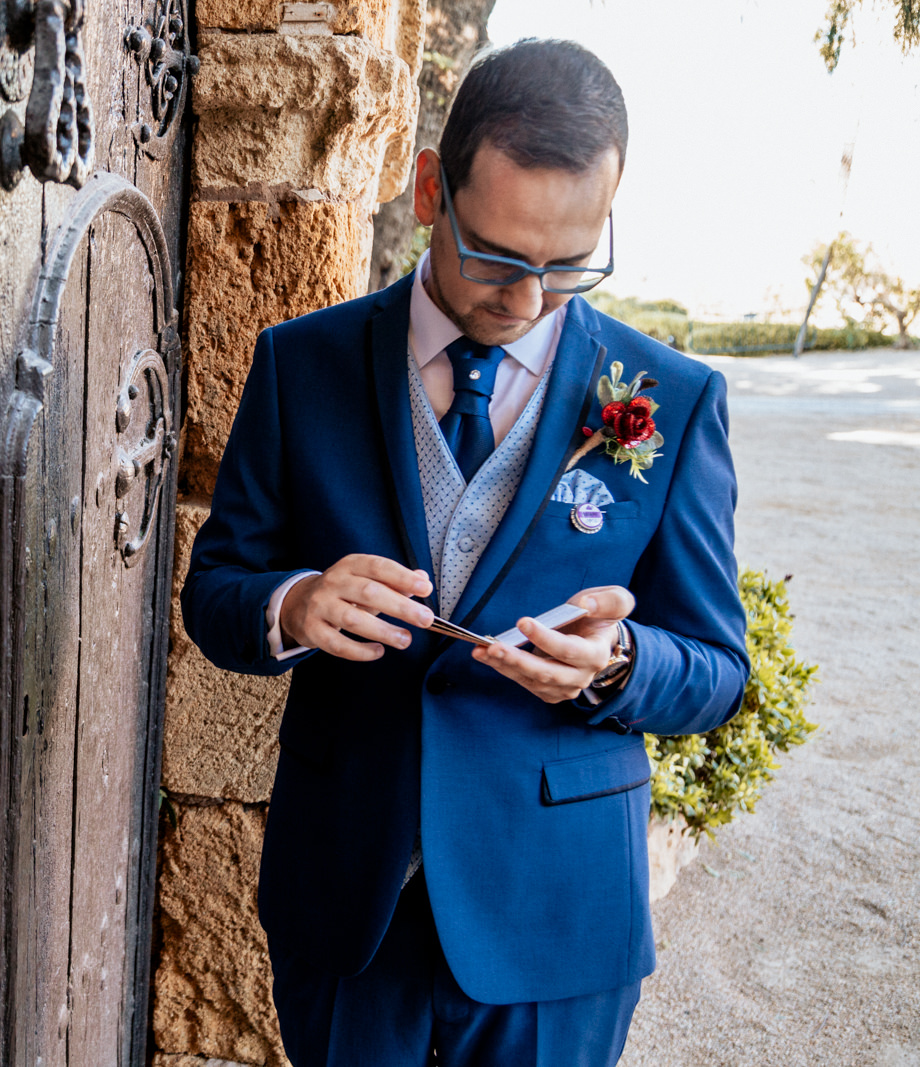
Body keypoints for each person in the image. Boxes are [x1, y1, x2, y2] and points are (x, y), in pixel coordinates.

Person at [181, 40, 748, 1067]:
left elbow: (716, 673)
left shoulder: (670, 397)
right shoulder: (297, 363)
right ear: (430, 187)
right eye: (497, 257)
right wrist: (294, 601)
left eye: (570, 264)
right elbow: (215, 589)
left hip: (556, 917)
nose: (528, 300)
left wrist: (618, 667)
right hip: (350, 899)